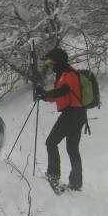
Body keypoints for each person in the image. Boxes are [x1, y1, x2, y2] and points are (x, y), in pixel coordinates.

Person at [35, 48, 86, 192]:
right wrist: (44, 96)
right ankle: (76, 183)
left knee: (51, 143)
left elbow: (63, 90)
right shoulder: (65, 73)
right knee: (72, 149)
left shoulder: (68, 74)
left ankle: (53, 178)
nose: (49, 65)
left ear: (58, 61)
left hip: (72, 115)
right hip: (78, 114)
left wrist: (45, 94)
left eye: (51, 61)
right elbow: (62, 94)